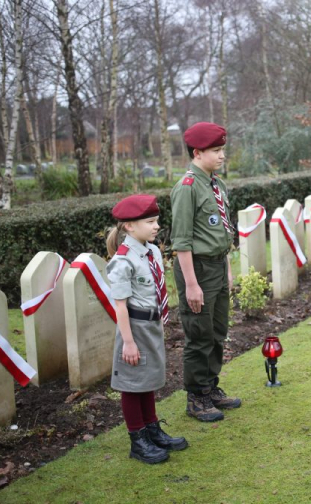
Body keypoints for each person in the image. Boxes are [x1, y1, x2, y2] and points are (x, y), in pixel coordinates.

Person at [106, 194, 188, 465]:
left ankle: (152, 430)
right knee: (132, 384)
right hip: (134, 327)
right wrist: (128, 342)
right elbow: (120, 307)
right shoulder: (122, 260)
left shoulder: (151, 250)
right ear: (129, 226)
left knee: (148, 381)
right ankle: (138, 440)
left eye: (157, 221)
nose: (156, 226)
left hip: (151, 324)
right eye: (150, 221)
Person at [170, 122, 241, 423]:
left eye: (223, 149)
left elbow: (220, 232)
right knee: (199, 334)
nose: (222, 155)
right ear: (197, 153)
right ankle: (196, 397)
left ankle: (210, 387)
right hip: (196, 269)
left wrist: (225, 270)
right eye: (216, 150)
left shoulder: (216, 184)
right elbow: (182, 241)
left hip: (216, 265)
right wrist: (191, 284)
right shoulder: (187, 188)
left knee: (217, 331)